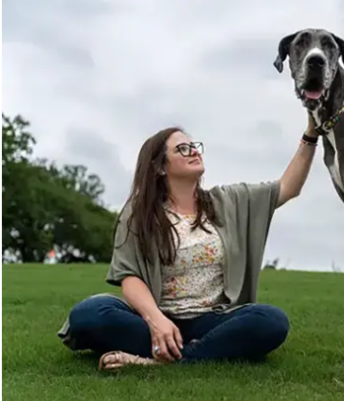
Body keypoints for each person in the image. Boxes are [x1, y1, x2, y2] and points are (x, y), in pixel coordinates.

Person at [57, 114, 320, 370]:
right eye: (182, 149)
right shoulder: (139, 213)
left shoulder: (228, 201)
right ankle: (194, 350)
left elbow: (288, 187)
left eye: (194, 146)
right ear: (160, 166)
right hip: (155, 319)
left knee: (271, 321)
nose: (193, 151)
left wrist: (311, 134)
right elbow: (129, 277)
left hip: (212, 320)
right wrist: (156, 320)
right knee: (88, 314)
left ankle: (165, 359)